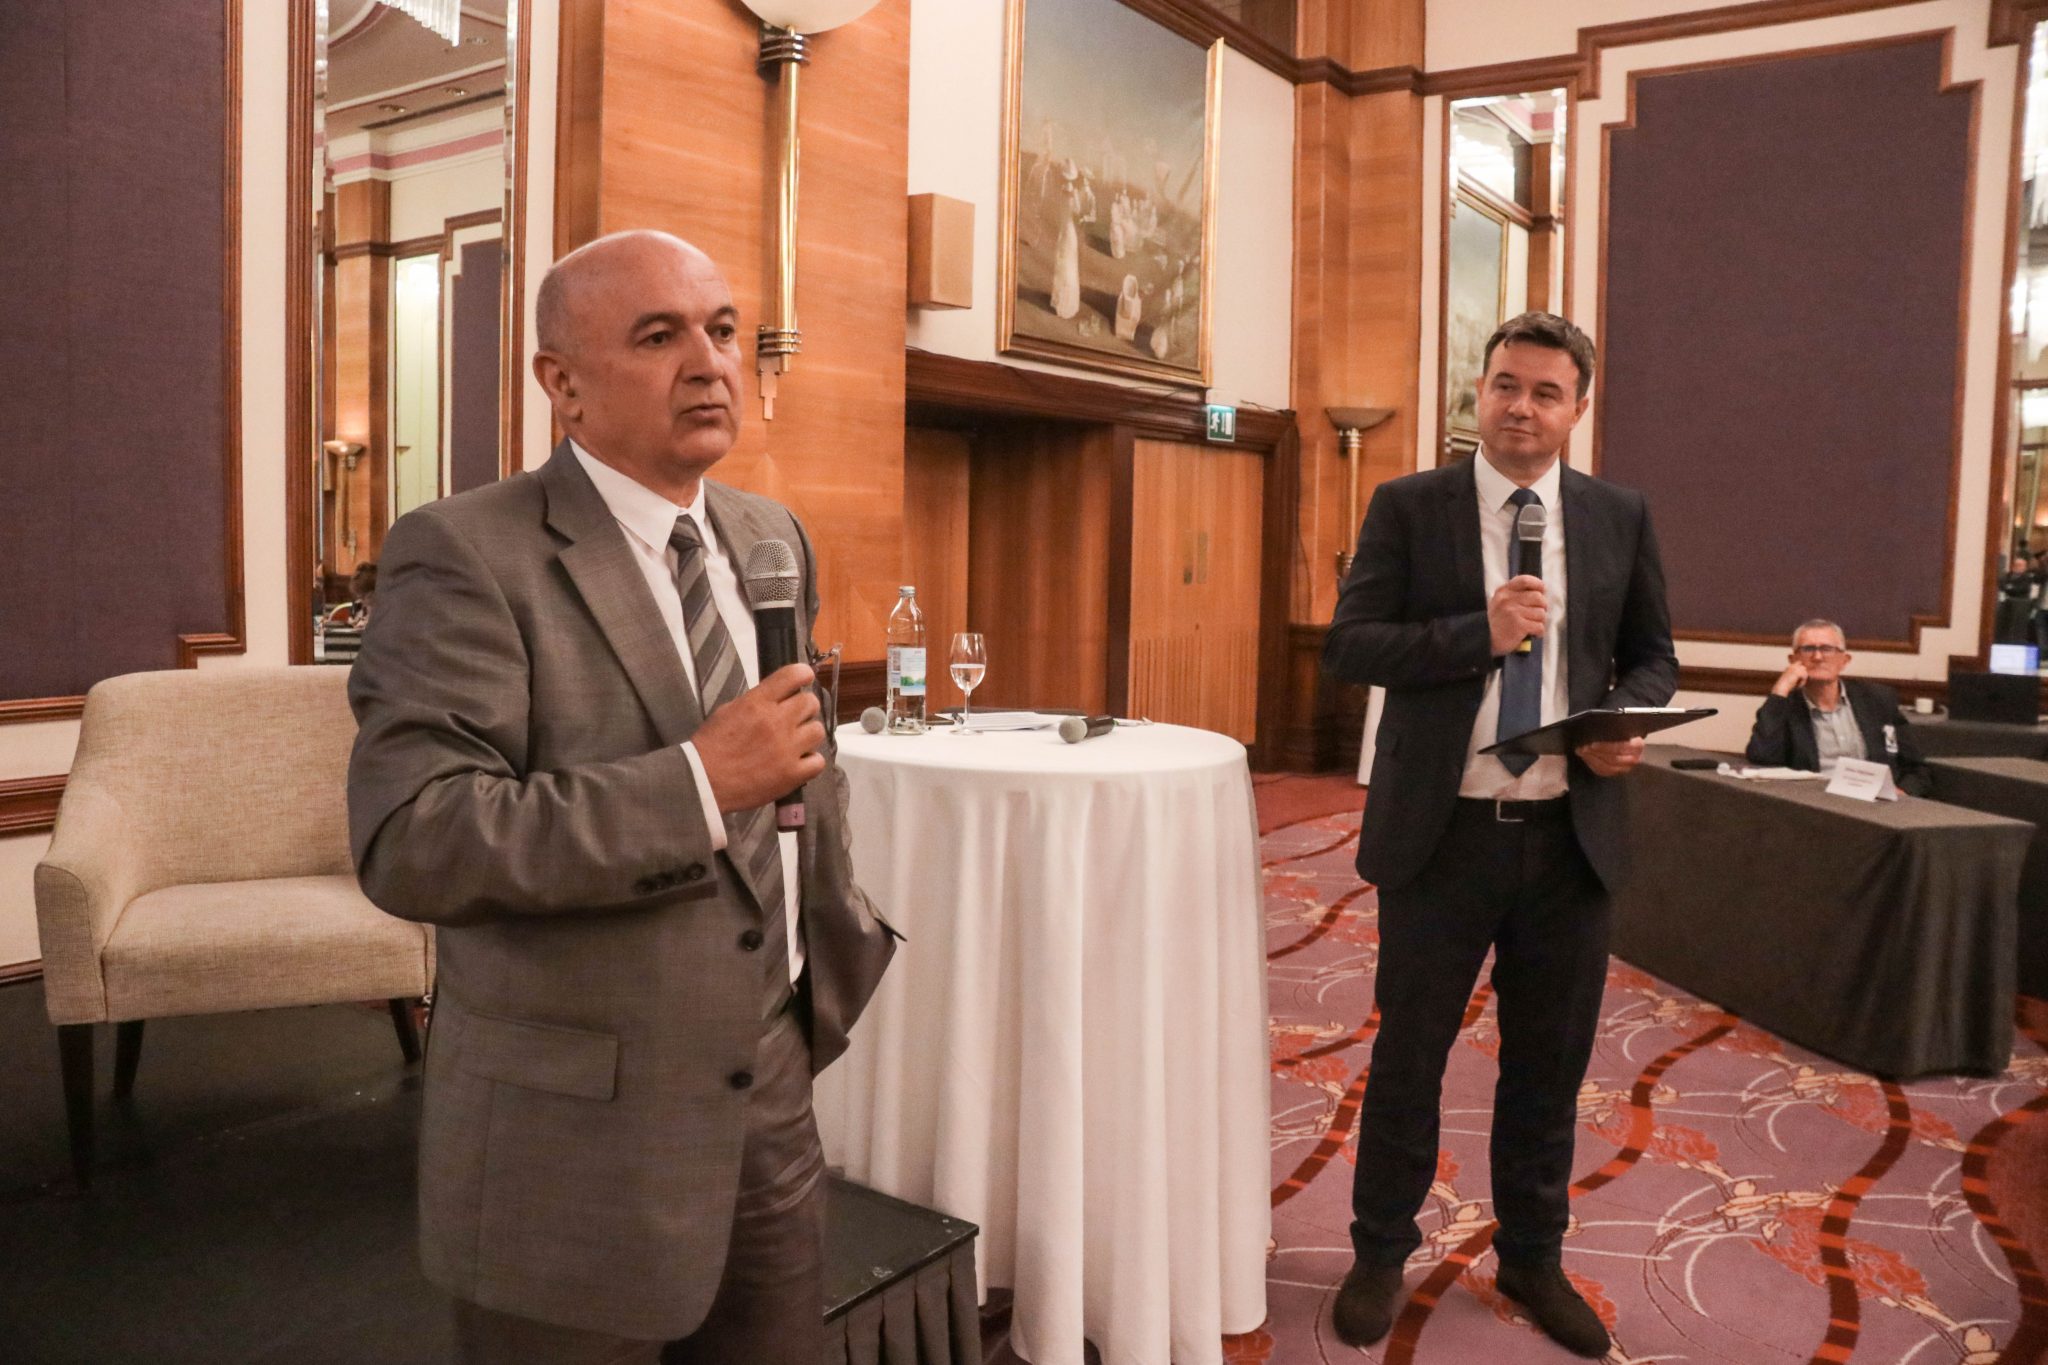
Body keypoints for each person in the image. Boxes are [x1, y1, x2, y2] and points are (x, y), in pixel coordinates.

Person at [346, 230, 898, 1364]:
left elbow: (799, 768)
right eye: (658, 337)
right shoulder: (463, 552)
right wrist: (698, 782)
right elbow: (416, 837)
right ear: (563, 384)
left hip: (769, 1091)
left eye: (723, 330)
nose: (710, 363)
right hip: (575, 1130)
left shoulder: (769, 535)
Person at [1324, 311, 1677, 1358]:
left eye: (1544, 392)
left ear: (1578, 408)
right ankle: (1379, 1250)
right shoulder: (1409, 505)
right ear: (1477, 393)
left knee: (1547, 1065)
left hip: (1569, 840)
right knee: (1409, 1056)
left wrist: (1619, 723)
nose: (1521, 407)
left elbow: (1651, 656)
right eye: (1505, 385)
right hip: (1442, 837)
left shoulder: (1617, 516)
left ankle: (1531, 1254)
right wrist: (1474, 633)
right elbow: (1351, 646)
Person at [1744, 618, 1931, 795]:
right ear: (1793, 660)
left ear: (1845, 660)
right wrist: (1780, 689)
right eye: (1808, 649)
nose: (1818, 656)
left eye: (1827, 649)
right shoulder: (1784, 707)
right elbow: (1761, 758)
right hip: (1814, 805)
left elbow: (1917, 768)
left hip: (1877, 805)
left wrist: (1902, 794)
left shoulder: (1877, 699)